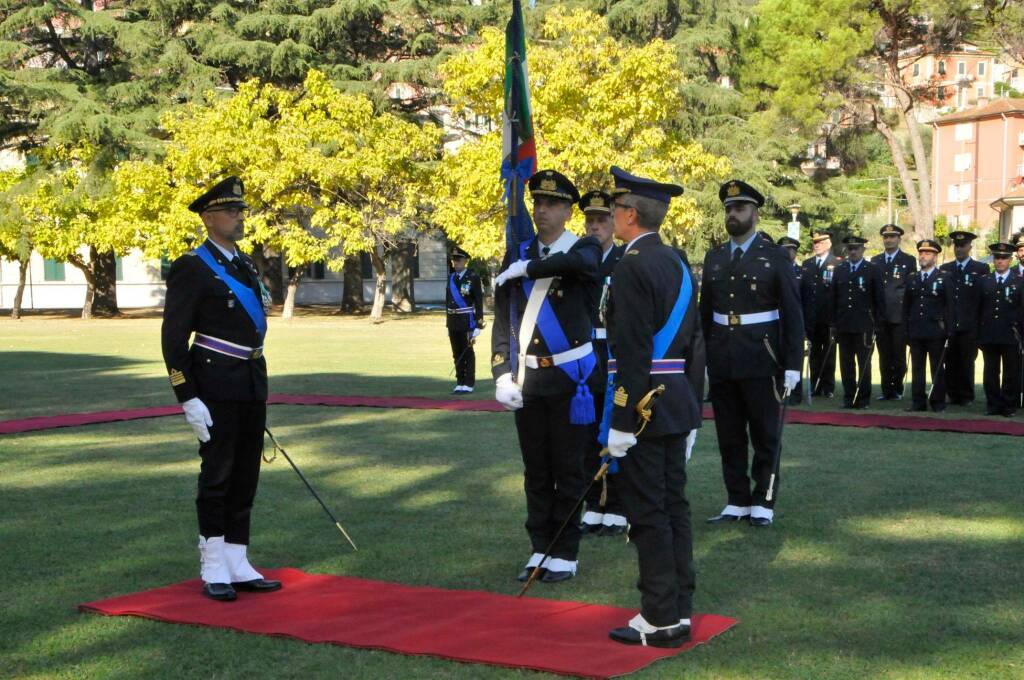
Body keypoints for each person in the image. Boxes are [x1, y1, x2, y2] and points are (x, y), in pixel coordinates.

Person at [161, 176, 281, 602]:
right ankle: (213, 565)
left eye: (241, 211)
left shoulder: (244, 264)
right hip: (213, 385)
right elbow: (174, 339)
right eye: (231, 211)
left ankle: (237, 559)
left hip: (250, 380)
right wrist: (187, 396)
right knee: (218, 475)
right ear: (209, 217)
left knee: (246, 474)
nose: (239, 217)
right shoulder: (192, 266)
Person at [602, 166, 705, 648]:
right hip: (676, 400)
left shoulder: (631, 265)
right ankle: (679, 609)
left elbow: (633, 350)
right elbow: (694, 343)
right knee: (673, 507)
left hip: (643, 406)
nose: (612, 217)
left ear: (628, 215)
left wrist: (621, 421)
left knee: (648, 513)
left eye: (615, 209)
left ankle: (659, 617)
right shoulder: (678, 263)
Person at [491, 169, 602, 584]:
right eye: (537, 202)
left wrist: (528, 269)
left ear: (569, 211)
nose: (542, 210)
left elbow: (581, 264)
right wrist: (502, 371)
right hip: (530, 378)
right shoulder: (517, 253)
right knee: (535, 469)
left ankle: (566, 552)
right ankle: (540, 547)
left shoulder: (585, 246)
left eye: (552, 204)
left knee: (569, 468)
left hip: (571, 381)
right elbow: (503, 318)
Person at [700, 180, 804, 528]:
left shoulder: (774, 256)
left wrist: (792, 364)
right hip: (723, 357)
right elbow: (705, 314)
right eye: (728, 209)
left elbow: (792, 313)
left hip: (762, 355)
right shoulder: (715, 258)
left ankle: (763, 499)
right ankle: (737, 499)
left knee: (764, 433)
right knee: (729, 435)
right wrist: (703, 360)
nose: (732, 214)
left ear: (755, 214)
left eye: (739, 208)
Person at [578, 190, 628, 537]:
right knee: (585, 432)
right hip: (583, 351)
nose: (595, 226)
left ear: (614, 222)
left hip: (614, 350)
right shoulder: (579, 256)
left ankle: (619, 505)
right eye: (590, 220)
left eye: (601, 220)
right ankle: (593, 502)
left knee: (615, 425)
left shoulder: (626, 259)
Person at [831, 235, 884, 408]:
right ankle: (848, 397)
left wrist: (877, 325)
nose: (853, 251)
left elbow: (879, 300)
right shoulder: (840, 270)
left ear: (863, 250)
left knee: (864, 363)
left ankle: (862, 399)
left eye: (856, 248)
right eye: (850, 248)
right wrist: (833, 324)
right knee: (846, 364)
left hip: (864, 326)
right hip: (844, 324)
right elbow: (833, 298)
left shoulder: (872, 270)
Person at [939, 231, 990, 406]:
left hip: (970, 323)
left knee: (967, 360)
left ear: (970, 246)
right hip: (950, 322)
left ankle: (966, 395)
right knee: (950, 359)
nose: (959, 249)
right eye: (956, 245)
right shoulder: (946, 268)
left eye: (963, 246)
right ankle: (951, 393)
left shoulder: (980, 269)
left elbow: (982, 298)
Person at [903, 239, 953, 412]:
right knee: (917, 369)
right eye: (921, 253)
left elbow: (950, 306)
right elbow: (906, 306)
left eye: (928, 253)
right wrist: (906, 330)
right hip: (916, 330)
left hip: (936, 331)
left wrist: (948, 329)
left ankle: (938, 402)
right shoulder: (912, 278)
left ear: (935, 257)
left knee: (937, 368)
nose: (923, 256)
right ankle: (918, 401)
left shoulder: (944, 278)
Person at [870, 224, 917, 400]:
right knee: (884, 356)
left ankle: (896, 388)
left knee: (898, 355)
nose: (888, 240)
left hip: (899, 316)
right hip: (881, 317)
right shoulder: (875, 261)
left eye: (892, 237)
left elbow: (911, 289)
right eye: (886, 237)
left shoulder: (908, 260)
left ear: (899, 239)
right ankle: (886, 390)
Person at [977, 243, 1021, 417]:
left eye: (1004, 258)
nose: (1000, 261)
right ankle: (993, 404)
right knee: (990, 372)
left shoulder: (1019, 282)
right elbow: (978, 309)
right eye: (997, 258)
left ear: (1010, 260)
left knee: (1011, 372)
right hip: (989, 333)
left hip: (1011, 333)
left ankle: (1009, 404)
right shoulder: (984, 281)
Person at [802, 229, 839, 398]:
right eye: (815, 243)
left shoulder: (837, 264)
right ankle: (814, 385)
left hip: (828, 318)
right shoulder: (807, 264)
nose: (817, 245)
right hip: (811, 317)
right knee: (814, 353)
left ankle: (828, 387)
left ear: (829, 244)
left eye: (821, 242)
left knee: (829, 354)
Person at [445, 246, 485, 394]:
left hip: (467, 319)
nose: (456, 263)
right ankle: (460, 381)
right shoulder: (451, 278)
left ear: (465, 261)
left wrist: (479, 325)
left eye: (459, 260)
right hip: (453, 320)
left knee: (467, 351)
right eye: (454, 260)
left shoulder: (472, 277)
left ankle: (469, 383)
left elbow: (479, 302)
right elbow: (447, 302)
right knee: (456, 352)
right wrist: (447, 323)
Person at [777, 236, 806, 405]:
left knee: (795, 356)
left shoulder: (802, 273)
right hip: (778, 321)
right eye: (785, 249)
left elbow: (807, 300)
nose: (788, 252)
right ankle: (781, 391)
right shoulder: (775, 270)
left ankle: (795, 394)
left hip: (797, 320)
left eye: (791, 249)